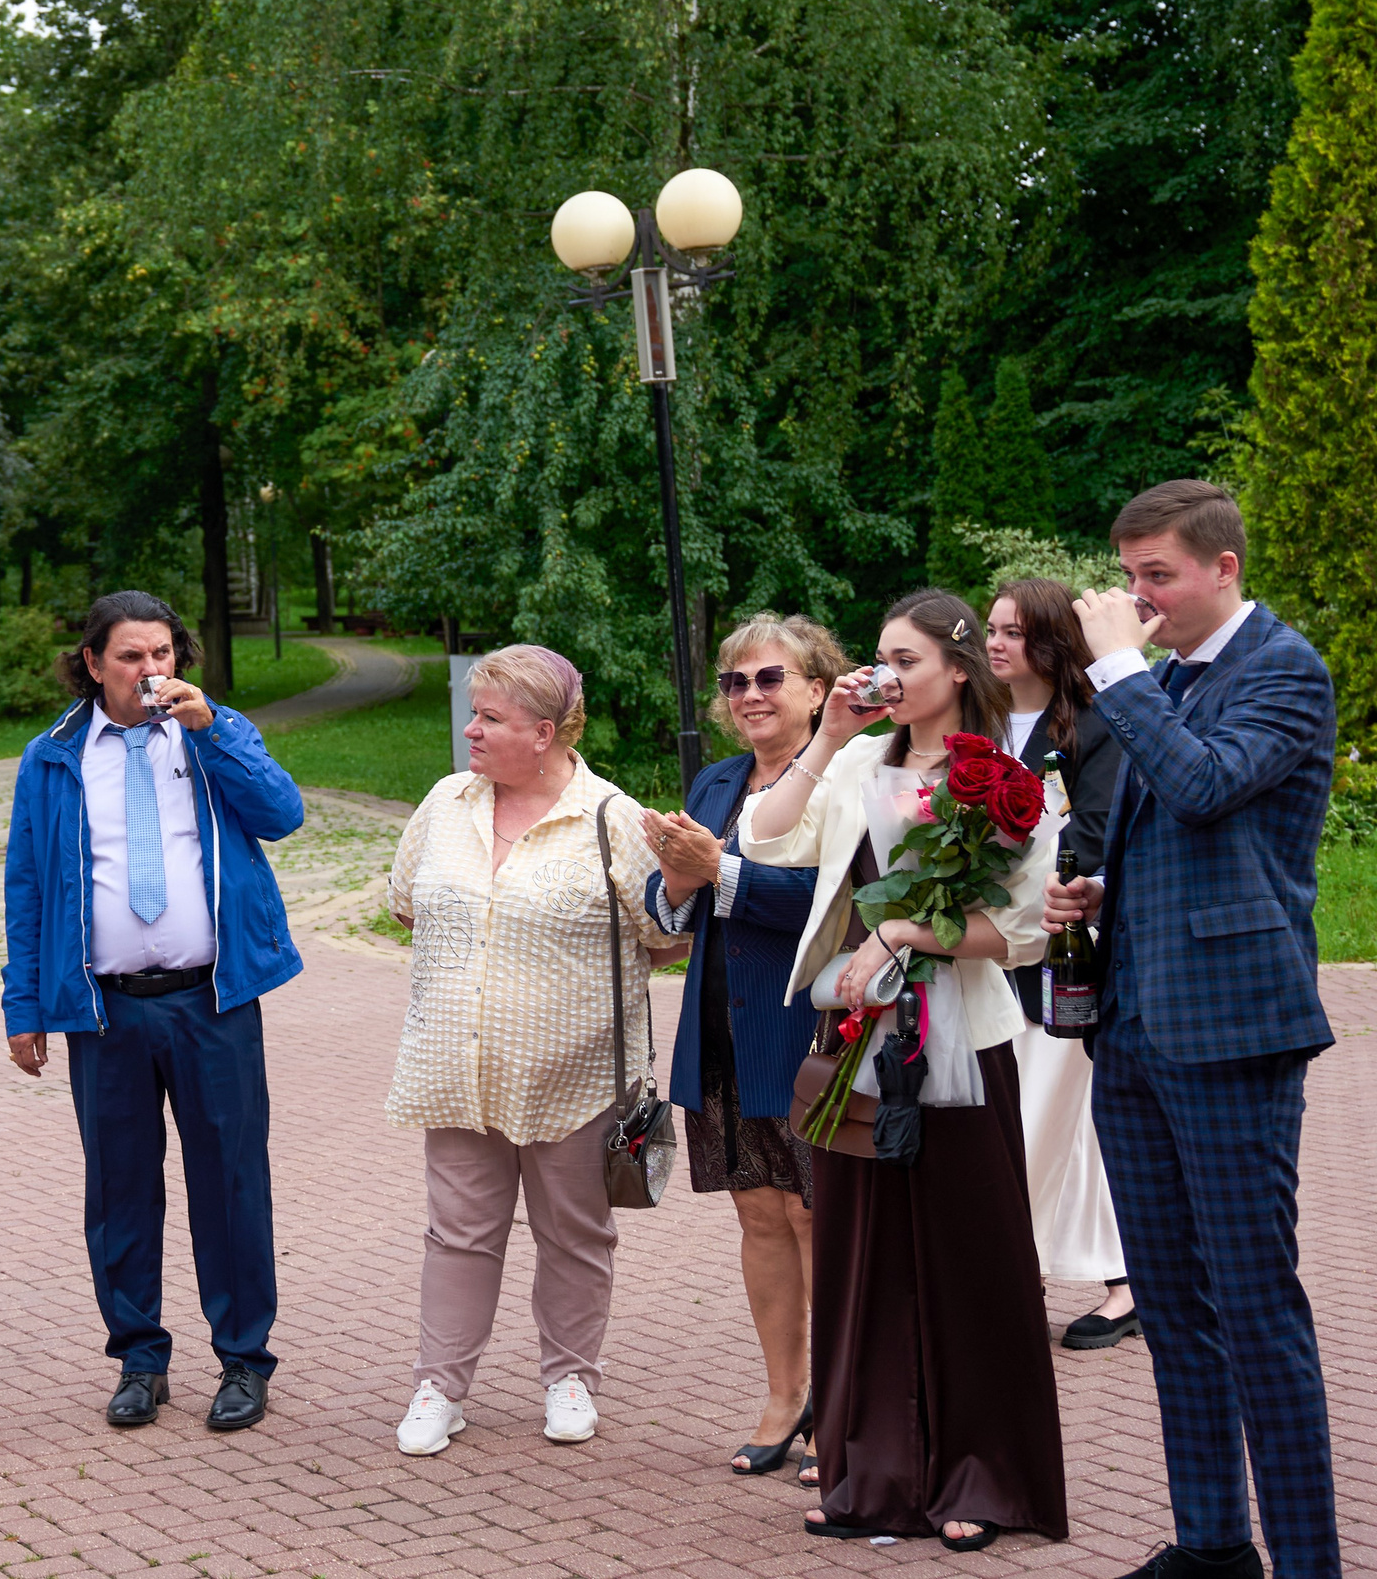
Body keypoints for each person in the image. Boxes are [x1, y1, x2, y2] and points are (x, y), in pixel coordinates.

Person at [1043, 480, 1338, 1579]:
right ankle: (1214, 1545)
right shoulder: (1162, 680)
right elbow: (1176, 834)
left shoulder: (1283, 669)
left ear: (1223, 566)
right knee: (1171, 1301)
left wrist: (1116, 666)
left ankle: (1308, 1562)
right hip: (1134, 1023)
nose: (1137, 597)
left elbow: (1208, 786)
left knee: (1256, 1307)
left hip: (1231, 1028)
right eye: (1127, 578)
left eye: (1156, 574)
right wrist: (1100, 893)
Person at [741, 588, 1064, 1553]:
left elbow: (1018, 932)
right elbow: (765, 833)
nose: (884, 675)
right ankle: (871, 1472)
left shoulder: (1007, 780)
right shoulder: (856, 763)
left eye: (904, 660)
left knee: (970, 1261)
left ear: (958, 671)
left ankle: (984, 1474)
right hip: (862, 1041)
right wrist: (830, 729)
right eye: (877, 658)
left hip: (963, 1035)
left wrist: (903, 930)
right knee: (863, 1256)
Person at [2, 591, 304, 1434]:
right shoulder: (53, 757)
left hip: (212, 1000)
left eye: (163, 654)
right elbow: (26, 884)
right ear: (93, 662)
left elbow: (283, 816)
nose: (150, 671)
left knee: (233, 1183)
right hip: (106, 1011)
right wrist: (22, 1004)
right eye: (131, 657)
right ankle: (140, 1358)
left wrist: (215, 731)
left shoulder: (211, 734)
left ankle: (244, 1359)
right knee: (120, 1190)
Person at [386, 645, 684, 1459]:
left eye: (489, 718)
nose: (469, 730)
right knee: (457, 1235)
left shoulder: (611, 817)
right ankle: (440, 1387)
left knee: (575, 1235)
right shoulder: (447, 801)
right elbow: (407, 904)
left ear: (544, 732)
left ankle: (571, 1377)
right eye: (473, 713)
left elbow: (663, 937)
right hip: (458, 1068)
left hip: (576, 1073)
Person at [638, 615, 842, 1480]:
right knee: (758, 1214)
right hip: (720, 1023)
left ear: (817, 689)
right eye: (736, 683)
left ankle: (843, 1405)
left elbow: (832, 900)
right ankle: (783, 1397)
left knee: (815, 1217)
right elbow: (669, 908)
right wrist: (678, 880)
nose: (751, 695)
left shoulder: (845, 772)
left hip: (806, 1025)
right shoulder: (717, 779)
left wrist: (716, 872)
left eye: (770, 678)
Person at [986, 578, 1134, 1346]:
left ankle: (1005, 1271)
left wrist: (1023, 872)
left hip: (1063, 937)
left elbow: (1098, 832)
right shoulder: (971, 720)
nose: (997, 644)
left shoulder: (1094, 724)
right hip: (981, 939)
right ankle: (1123, 1274)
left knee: (1037, 1104)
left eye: (1015, 631)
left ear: (1052, 642)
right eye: (991, 630)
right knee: (1062, 1124)